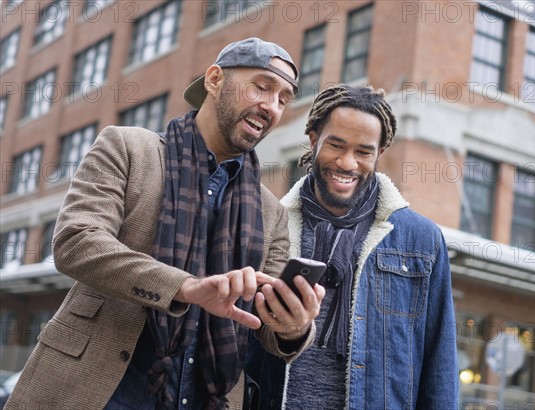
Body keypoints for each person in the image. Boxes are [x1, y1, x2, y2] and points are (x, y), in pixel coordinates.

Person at [5, 38, 324, 410]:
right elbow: (78, 242)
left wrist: (294, 326)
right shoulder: (126, 147)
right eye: (261, 86)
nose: (271, 106)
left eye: (283, 98)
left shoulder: (272, 213)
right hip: (95, 390)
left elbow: (265, 327)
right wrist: (185, 287)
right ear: (215, 80)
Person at [247, 84, 459, 409]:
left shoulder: (421, 240)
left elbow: (439, 361)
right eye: (337, 145)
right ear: (314, 140)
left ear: (379, 154)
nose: (347, 163)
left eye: (363, 152)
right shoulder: (267, 223)